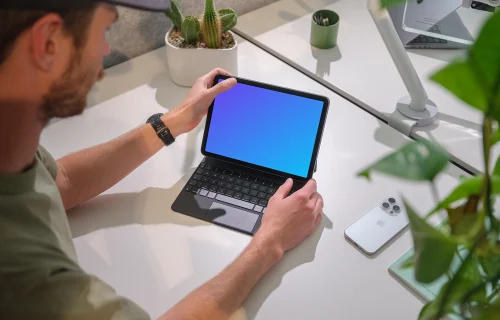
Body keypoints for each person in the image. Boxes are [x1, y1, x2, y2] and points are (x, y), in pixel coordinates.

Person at [0, 0, 324, 319]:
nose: (105, 49)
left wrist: (172, 122)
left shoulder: (11, 148)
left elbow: (61, 182)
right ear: (48, 43)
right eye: (104, 27)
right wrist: (271, 242)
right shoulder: (32, 282)